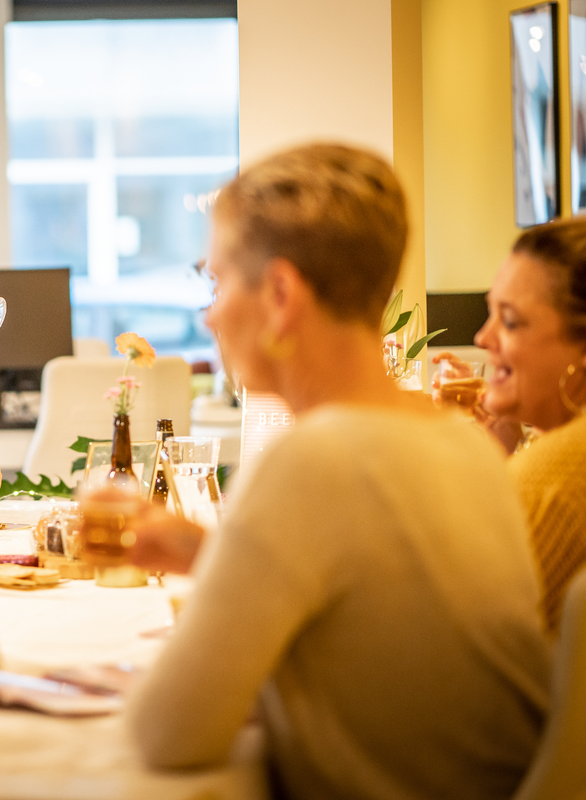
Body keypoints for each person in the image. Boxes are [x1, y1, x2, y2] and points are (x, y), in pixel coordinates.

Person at [125, 143, 550, 800]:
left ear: (280, 294)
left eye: (219, 283)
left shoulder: (314, 459)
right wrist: (208, 556)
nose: (209, 315)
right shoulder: (460, 441)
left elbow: (168, 734)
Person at [434, 218, 586, 633]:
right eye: (490, 314)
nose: (483, 337)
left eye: (511, 321)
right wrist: (500, 444)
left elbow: (460, 632)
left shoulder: (555, 481)